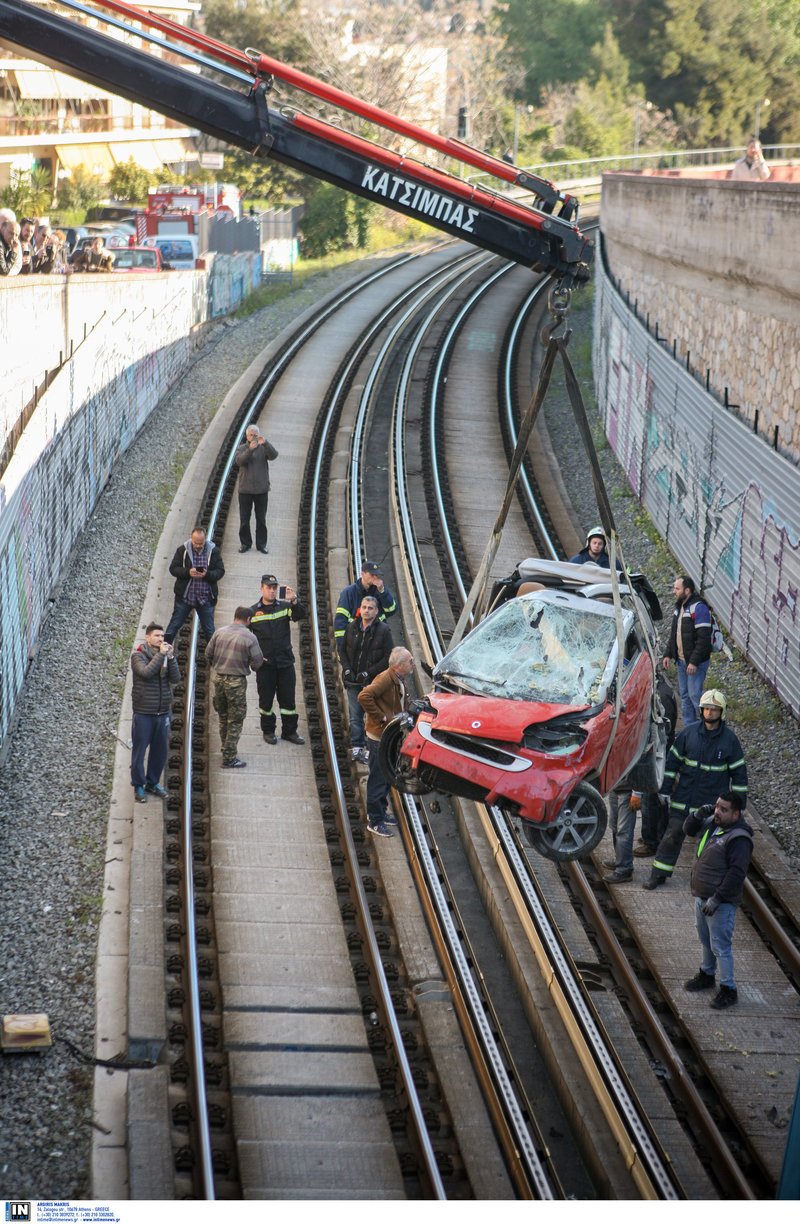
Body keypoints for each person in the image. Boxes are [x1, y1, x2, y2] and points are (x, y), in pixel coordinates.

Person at [643, 689, 747, 890]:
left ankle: (703, 880)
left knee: (708, 846)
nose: (709, 713)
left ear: (722, 712)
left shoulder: (730, 741)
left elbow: (740, 777)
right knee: (671, 837)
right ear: (701, 710)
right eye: (706, 709)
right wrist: (664, 790)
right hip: (684, 801)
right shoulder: (688, 734)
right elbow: (671, 765)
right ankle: (658, 874)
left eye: (714, 710)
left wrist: (738, 807)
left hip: (711, 807)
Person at [683, 792, 754, 1010]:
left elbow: (736, 873)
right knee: (706, 940)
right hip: (702, 897)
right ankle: (706, 974)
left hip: (719, 903)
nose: (717, 812)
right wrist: (696, 815)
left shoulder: (739, 839)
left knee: (721, 946)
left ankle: (728, 989)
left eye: (724, 809)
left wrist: (717, 898)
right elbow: (688, 830)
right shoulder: (713, 825)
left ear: (736, 813)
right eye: (716, 807)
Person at [357, 646, 414, 838]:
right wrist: (381, 718)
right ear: (399, 665)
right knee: (378, 778)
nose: (412, 664)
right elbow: (364, 696)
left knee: (387, 776)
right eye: (409, 661)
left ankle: (381, 812)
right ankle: (375, 821)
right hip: (379, 737)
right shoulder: (384, 679)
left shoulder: (397, 678)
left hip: (389, 737)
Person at [249, 574, 306, 744]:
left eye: (275, 587)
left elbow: (300, 615)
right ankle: (268, 731)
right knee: (266, 701)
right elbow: (245, 638)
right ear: (262, 588)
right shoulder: (252, 612)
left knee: (288, 699)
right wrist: (254, 660)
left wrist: (294, 600)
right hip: (265, 665)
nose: (272, 590)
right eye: (269, 587)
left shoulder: (285, 606)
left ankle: (289, 732)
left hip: (285, 662)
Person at [338, 594, 394, 764]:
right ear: (359, 609)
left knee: (371, 715)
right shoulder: (351, 627)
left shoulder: (384, 631)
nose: (366, 611)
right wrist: (347, 668)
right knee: (355, 715)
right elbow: (342, 650)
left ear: (376, 611)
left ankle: (371, 748)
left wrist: (369, 673)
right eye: (364, 607)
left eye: (370, 608)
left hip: (372, 683)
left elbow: (387, 657)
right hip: (353, 681)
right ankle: (357, 747)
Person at [205, 606, 264, 769]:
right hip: (236, 682)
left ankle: (226, 748)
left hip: (218, 679)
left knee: (223, 716)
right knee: (236, 719)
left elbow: (208, 654)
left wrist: (219, 666)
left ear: (235, 616)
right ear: (248, 620)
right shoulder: (250, 637)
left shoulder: (219, 632)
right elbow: (257, 663)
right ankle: (229, 757)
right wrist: (248, 663)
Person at [130, 622, 180, 803]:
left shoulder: (165, 655)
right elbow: (145, 673)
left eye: (162, 636)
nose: (161, 639)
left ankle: (153, 782)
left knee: (160, 751)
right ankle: (138, 785)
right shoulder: (138, 655)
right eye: (157, 636)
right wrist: (161, 655)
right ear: (148, 637)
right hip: (144, 712)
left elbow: (176, 678)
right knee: (139, 751)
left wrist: (172, 658)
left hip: (162, 712)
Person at [633, 673, 678, 858]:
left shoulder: (661, 697)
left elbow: (661, 730)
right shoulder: (662, 690)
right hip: (659, 750)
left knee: (652, 798)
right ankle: (654, 837)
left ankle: (652, 841)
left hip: (657, 752)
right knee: (656, 798)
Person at [662, 574, 712, 727]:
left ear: (687, 591)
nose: (673, 591)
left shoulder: (699, 608)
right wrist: (668, 654)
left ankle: (709, 727)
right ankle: (690, 730)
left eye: (677, 588)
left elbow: (704, 639)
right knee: (685, 697)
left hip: (694, 663)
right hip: (682, 662)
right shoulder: (680, 607)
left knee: (695, 696)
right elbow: (674, 633)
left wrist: (694, 662)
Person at [164, 527, 224, 644]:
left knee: (210, 631)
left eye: (200, 543)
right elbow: (173, 569)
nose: (198, 546)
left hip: (205, 598)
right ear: (191, 539)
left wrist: (207, 574)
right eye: (195, 543)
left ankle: (214, 658)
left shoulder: (214, 551)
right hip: (186, 598)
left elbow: (220, 571)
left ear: (205, 539)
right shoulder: (182, 550)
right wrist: (187, 572)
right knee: (174, 626)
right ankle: (163, 652)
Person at [234, 422, 278, 554]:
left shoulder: (264, 448)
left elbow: (274, 455)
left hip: (261, 490)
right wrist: (250, 449)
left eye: (256, 435)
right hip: (245, 490)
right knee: (244, 520)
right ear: (247, 436)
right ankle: (245, 543)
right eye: (251, 435)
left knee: (261, 519)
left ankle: (261, 544)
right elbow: (239, 461)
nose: (253, 437)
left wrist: (266, 443)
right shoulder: (242, 448)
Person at [334, 561, 398, 649]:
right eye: (372, 574)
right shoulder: (348, 593)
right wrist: (342, 647)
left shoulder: (380, 591)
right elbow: (340, 622)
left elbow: (392, 610)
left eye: (377, 575)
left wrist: (382, 591)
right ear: (362, 574)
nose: (375, 577)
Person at [0, 209, 22, 277]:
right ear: (3, 228)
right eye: (11, 233)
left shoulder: (15, 242)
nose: (14, 237)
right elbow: (4, 271)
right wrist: (13, 253)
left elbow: (17, 267)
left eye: (16, 235)